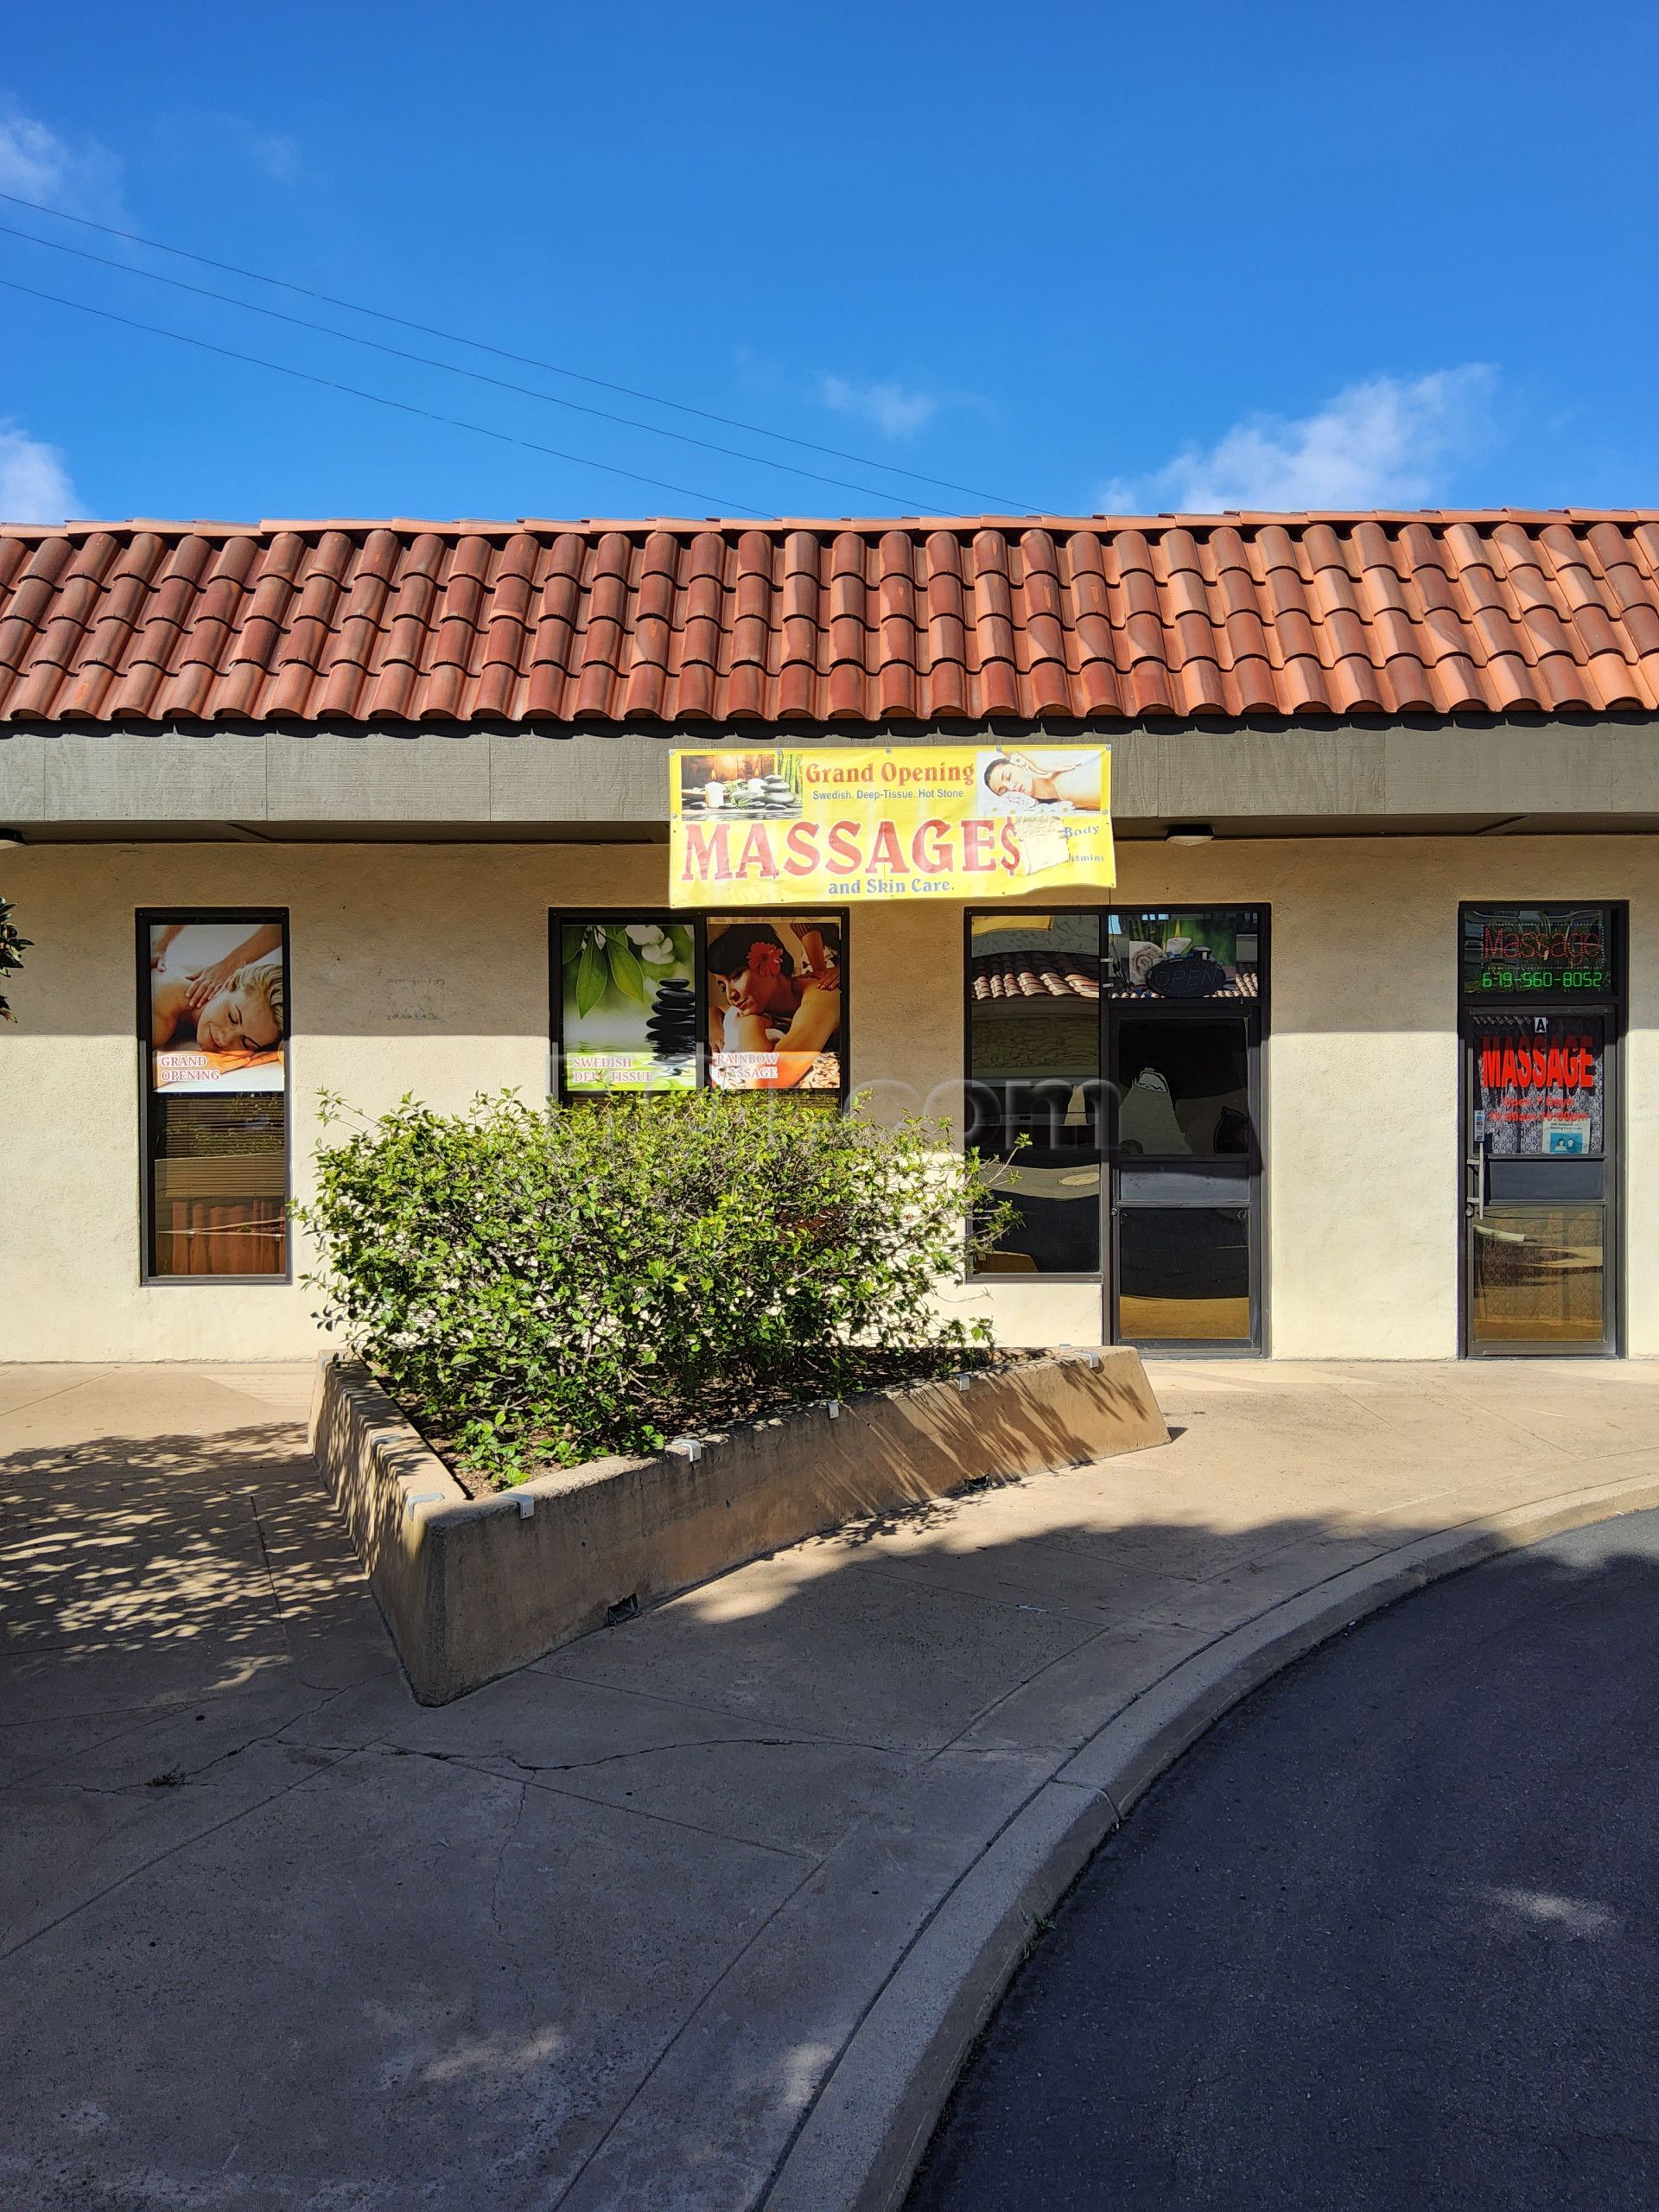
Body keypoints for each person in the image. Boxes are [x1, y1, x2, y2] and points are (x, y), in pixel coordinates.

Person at [706, 921, 841, 1078]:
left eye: (736, 976)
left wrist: (750, 1023)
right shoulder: (760, 1005)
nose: (730, 996)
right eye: (723, 986)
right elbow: (717, 1009)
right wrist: (712, 1021)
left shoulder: (822, 993)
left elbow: (769, 1075)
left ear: (770, 961)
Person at [149, 921, 286, 1056]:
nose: (225, 1039)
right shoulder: (162, 1013)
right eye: (232, 1017)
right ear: (227, 983)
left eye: (246, 1043)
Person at [982, 751, 1102, 811]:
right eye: (1004, 791)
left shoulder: (1064, 784)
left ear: (1019, 762)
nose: (1011, 787)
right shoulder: (1058, 801)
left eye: (1008, 776)